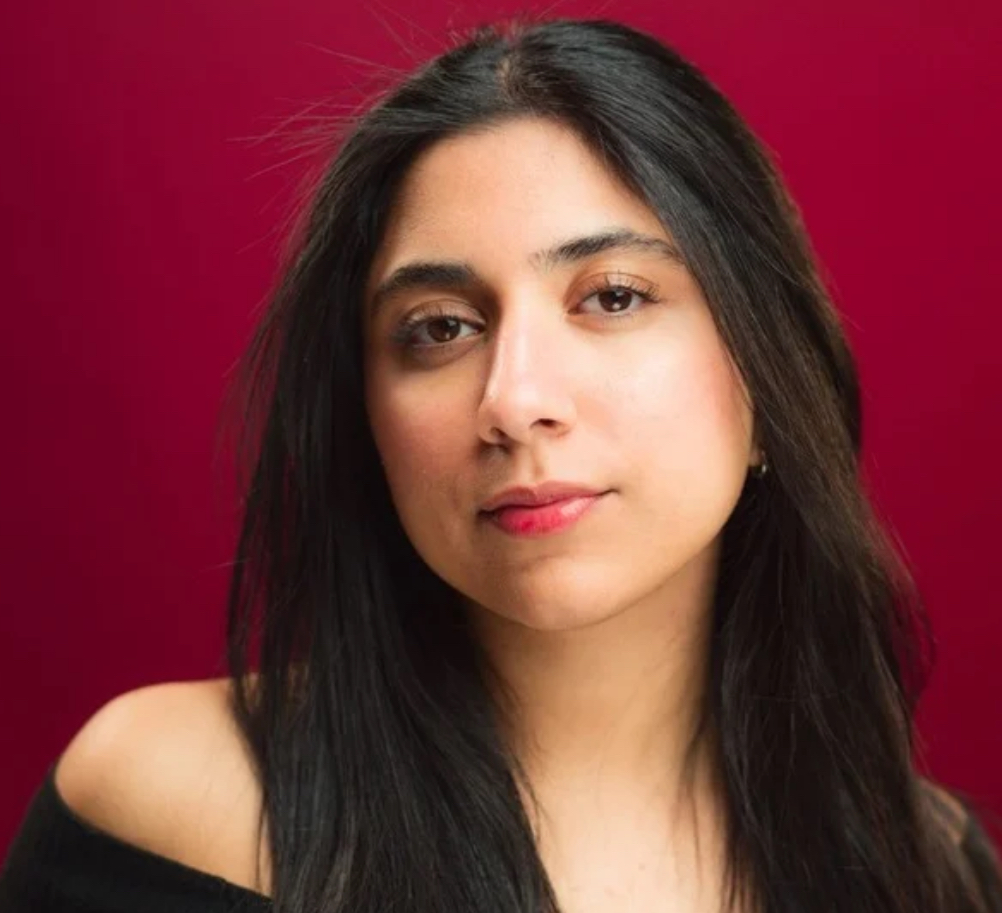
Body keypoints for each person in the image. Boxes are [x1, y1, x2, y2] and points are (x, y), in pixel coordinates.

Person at [1, 14, 1000, 913]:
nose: (515, 400)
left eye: (612, 296)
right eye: (440, 327)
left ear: (768, 381)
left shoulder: (926, 867)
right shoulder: (173, 804)